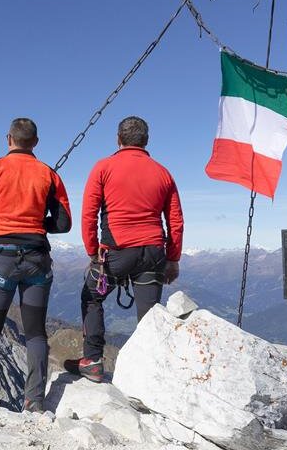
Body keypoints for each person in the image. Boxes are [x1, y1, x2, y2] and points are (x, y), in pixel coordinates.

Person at [0, 117, 72, 411]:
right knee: (36, 332)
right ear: (35, 142)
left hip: (1, 261)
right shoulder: (48, 174)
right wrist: (38, 224)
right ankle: (34, 401)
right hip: (37, 262)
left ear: (8, 139)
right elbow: (64, 223)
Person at [64, 116, 183, 383]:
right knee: (149, 315)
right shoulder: (163, 172)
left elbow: (89, 214)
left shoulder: (103, 167)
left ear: (118, 139)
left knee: (91, 297)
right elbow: (175, 220)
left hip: (116, 253)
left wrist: (92, 252)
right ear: (146, 140)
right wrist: (173, 259)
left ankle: (93, 360)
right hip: (153, 252)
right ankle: (151, 374)